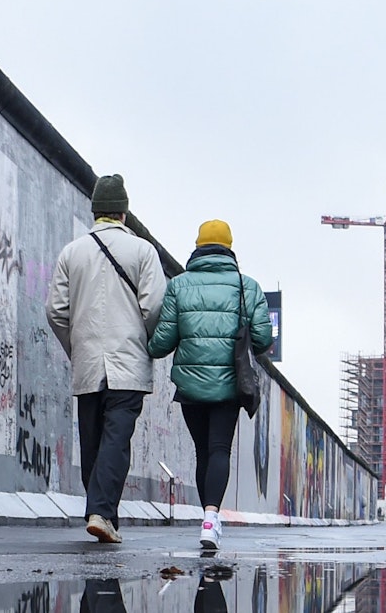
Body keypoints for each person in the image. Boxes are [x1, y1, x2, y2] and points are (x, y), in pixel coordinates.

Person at [47, 174, 166, 544]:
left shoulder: (72, 252)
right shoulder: (143, 252)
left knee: (94, 440)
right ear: (124, 214)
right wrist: (143, 341)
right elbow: (155, 307)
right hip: (127, 363)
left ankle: (102, 513)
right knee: (116, 438)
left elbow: (55, 311)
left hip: (87, 363)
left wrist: (76, 347)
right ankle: (101, 511)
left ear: (96, 211)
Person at [146, 219, 272, 550]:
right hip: (230, 384)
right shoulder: (248, 287)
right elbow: (262, 339)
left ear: (198, 248)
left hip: (190, 386)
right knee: (219, 449)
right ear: (229, 249)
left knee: (203, 451)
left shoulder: (179, 286)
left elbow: (162, 342)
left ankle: (207, 516)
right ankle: (211, 518)